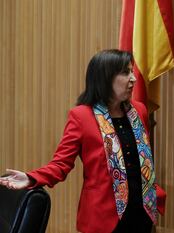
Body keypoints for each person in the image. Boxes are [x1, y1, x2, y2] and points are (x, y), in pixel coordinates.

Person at [0, 49, 158, 233]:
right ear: (105, 78)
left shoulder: (139, 111)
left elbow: (142, 161)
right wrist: (31, 177)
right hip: (103, 219)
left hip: (143, 214)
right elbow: (61, 164)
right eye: (125, 72)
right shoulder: (82, 116)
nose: (133, 78)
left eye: (132, 71)